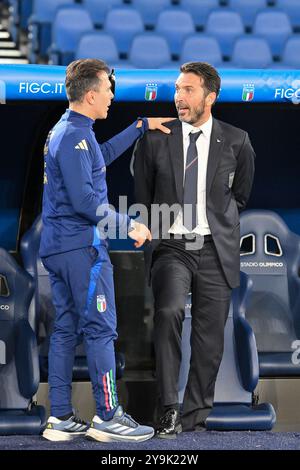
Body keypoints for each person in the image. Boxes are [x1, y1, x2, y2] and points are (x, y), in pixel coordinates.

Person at [40, 58, 173, 443]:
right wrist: (128, 223)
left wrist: (138, 127)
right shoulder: (72, 137)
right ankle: (108, 415)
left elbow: (100, 157)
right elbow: (84, 200)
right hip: (82, 249)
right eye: (109, 90)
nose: (113, 96)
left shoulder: (73, 133)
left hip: (61, 248)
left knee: (65, 329)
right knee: (100, 330)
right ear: (92, 93)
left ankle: (61, 417)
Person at [134, 62, 255, 438]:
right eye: (177, 89)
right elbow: (143, 196)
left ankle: (194, 415)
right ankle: (168, 408)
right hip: (173, 244)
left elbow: (241, 195)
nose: (178, 97)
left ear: (210, 97)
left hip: (216, 248)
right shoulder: (156, 138)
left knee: (210, 336)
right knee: (169, 311)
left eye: (188, 90)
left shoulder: (237, 140)